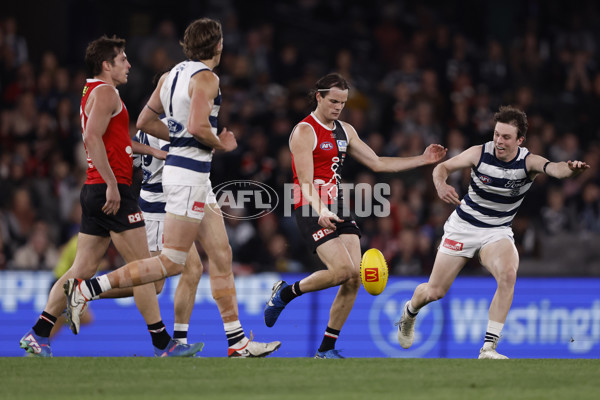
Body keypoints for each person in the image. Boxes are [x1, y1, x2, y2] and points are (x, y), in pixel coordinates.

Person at [65, 19, 281, 357]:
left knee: (221, 254)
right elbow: (196, 125)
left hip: (193, 176)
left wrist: (181, 138)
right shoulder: (207, 78)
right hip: (188, 178)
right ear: (218, 45)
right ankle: (88, 288)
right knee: (172, 264)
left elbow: (144, 122)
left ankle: (237, 342)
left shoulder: (171, 75)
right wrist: (221, 143)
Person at [19, 35, 203, 358]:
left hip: (94, 192)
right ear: (107, 65)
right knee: (144, 268)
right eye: (123, 60)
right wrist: (112, 185)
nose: (129, 65)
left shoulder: (93, 91)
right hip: (111, 192)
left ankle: (39, 333)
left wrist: (153, 151)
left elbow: (115, 141)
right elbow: (91, 138)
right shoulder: (105, 93)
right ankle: (163, 344)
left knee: (81, 269)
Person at [263, 73, 447, 358]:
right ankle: (285, 293)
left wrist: (422, 159)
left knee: (354, 279)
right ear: (319, 97)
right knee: (344, 271)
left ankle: (325, 349)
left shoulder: (345, 131)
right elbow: (304, 181)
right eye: (333, 101)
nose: (338, 107)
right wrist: (320, 209)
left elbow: (377, 163)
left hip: (337, 205)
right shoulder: (304, 131)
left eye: (343, 103)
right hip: (310, 206)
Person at [396, 105, 590, 359]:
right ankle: (409, 313)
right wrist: (440, 185)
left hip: (496, 231)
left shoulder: (528, 162)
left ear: (520, 140)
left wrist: (571, 169)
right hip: (463, 227)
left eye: (506, 137)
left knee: (508, 275)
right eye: (497, 134)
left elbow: (555, 168)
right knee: (434, 292)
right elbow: (440, 168)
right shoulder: (479, 153)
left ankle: (488, 348)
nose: (499, 140)